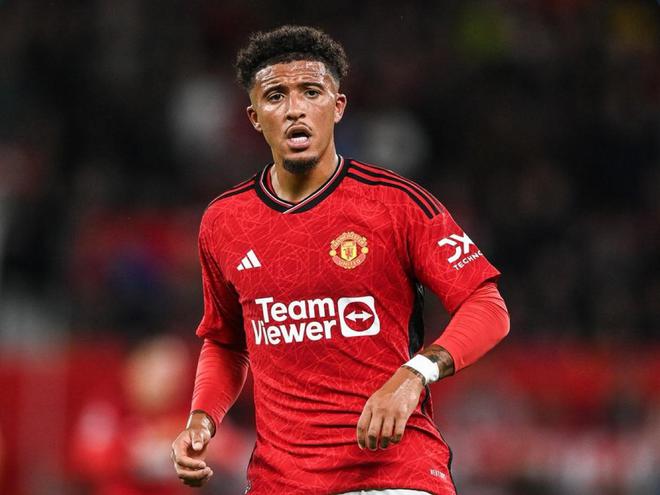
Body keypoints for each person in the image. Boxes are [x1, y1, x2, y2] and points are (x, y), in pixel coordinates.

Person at [171, 25, 510, 495]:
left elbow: (487, 306)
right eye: (275, 96)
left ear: (338, 106)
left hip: (393, 475)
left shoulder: (396, 204)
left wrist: (415, 374)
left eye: (311, 92)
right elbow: (226, 341)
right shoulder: (224, 221)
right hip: (279, 483)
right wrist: (202, 419)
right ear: (254, 117)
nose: (295, 109)